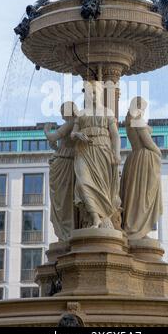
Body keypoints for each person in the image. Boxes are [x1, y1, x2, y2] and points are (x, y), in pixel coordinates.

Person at [71, 81, 121, 229]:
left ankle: (102, 217)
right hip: (83, 152)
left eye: (94, 92)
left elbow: (116, 136)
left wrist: (117, 154)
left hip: (102, 151)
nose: (91, 95)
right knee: (82, 183)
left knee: (102, 188)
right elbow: (72, 134)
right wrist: (78, 134)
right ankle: (95, 217)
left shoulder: (107, 112)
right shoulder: (81, 113)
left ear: (100, 93)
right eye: (88, 92)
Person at [121, 97, 163, 240]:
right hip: (144, 160)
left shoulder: (129, 121)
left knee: (134, 194)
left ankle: (134, 227)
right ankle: (136, 229)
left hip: (134, 158)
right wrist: (159, 152)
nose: (143, 111)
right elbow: (148, 142)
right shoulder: (138, 121)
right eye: (143, 108)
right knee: (142, 196)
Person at [44, 102, 78, 242]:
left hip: (65, 165)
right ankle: (67, 231)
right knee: (64, 199)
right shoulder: (73, 123)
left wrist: (46, 130)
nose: (62, 113)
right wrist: (56, 148)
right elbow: (63, 147)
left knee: (64, 199)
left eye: (63, 110)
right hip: (64, 162)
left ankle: (67, 232)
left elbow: (53, 137)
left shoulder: (71, 123)